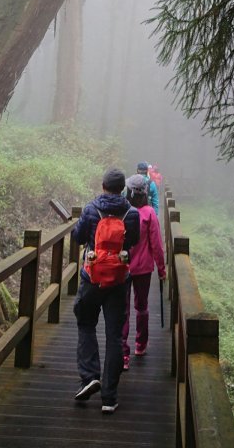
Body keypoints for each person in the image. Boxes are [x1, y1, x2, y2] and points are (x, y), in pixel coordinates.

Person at [72, 167, 140, 413]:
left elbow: (78, 237)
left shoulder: (91, 209)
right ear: (123, 189)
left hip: (92, 277)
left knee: (86, 324)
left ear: (103, 186)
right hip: (119, 281)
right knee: (114, 336)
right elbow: (133, 241)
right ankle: (109, 398)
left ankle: (89, 376)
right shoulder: (131, 214)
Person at [122, 174, 166, 368]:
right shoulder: (149, 214)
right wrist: (162, 269)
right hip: (144, 268)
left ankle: (123, 353)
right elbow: (156, 245)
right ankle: (140, 344)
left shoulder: (123, 211)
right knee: (142, 307)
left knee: (122, 310)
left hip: (122, 266)